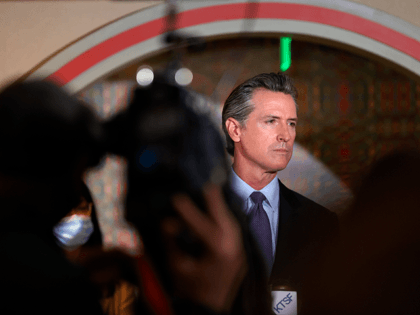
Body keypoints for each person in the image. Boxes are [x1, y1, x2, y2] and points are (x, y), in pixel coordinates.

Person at [222, 72, 339, 295]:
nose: (285, 135)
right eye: (271, 121)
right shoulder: (197, 215)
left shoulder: (321, 224)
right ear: (235, 129)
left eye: (291, 123)